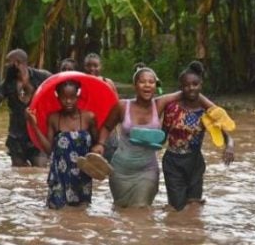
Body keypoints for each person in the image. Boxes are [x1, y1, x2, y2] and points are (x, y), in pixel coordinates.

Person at [91, 65, 214, 208]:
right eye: (143, 82)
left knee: (141, 209)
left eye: (151, 82)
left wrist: (215, 110)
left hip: (147, 169)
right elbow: (107, 127)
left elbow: (189, 92)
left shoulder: (159, 104)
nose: (147, 85)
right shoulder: (122, 106)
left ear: (156, 85)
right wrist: (100, 144)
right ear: (135, 85)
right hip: (121, 170)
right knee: (121, 210)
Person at [162, 61, 235, 211]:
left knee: (194, 207)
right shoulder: (172, 108)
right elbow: (162, 136)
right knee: (177, 209)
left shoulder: (206, 112)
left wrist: (230, 147)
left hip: (195, 162)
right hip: (173, 163)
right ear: (181, 87)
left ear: (201, 85)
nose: (191, 88)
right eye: (187, 85)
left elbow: (226, 135)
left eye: (195, 84)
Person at [26, 80, 97, 209]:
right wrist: (33, 125)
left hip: (82, 177)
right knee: (57, 215)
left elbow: (96, 148)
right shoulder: (53, 118)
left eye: (72, 97)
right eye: (64, 98)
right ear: (57, 97)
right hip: (59, 176)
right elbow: (49, 150)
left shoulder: (89, 117)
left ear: (78, 96)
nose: (68, 102)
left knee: (82, 215)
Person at [2, 49, 51, 167]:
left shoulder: (42, 76)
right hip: (16, 136)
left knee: (40, 170)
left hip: (38, 133)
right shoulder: (8, 82)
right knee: (19, 174)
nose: (6, 66)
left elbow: (59, 85)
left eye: (8, 62)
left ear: (17, 63)